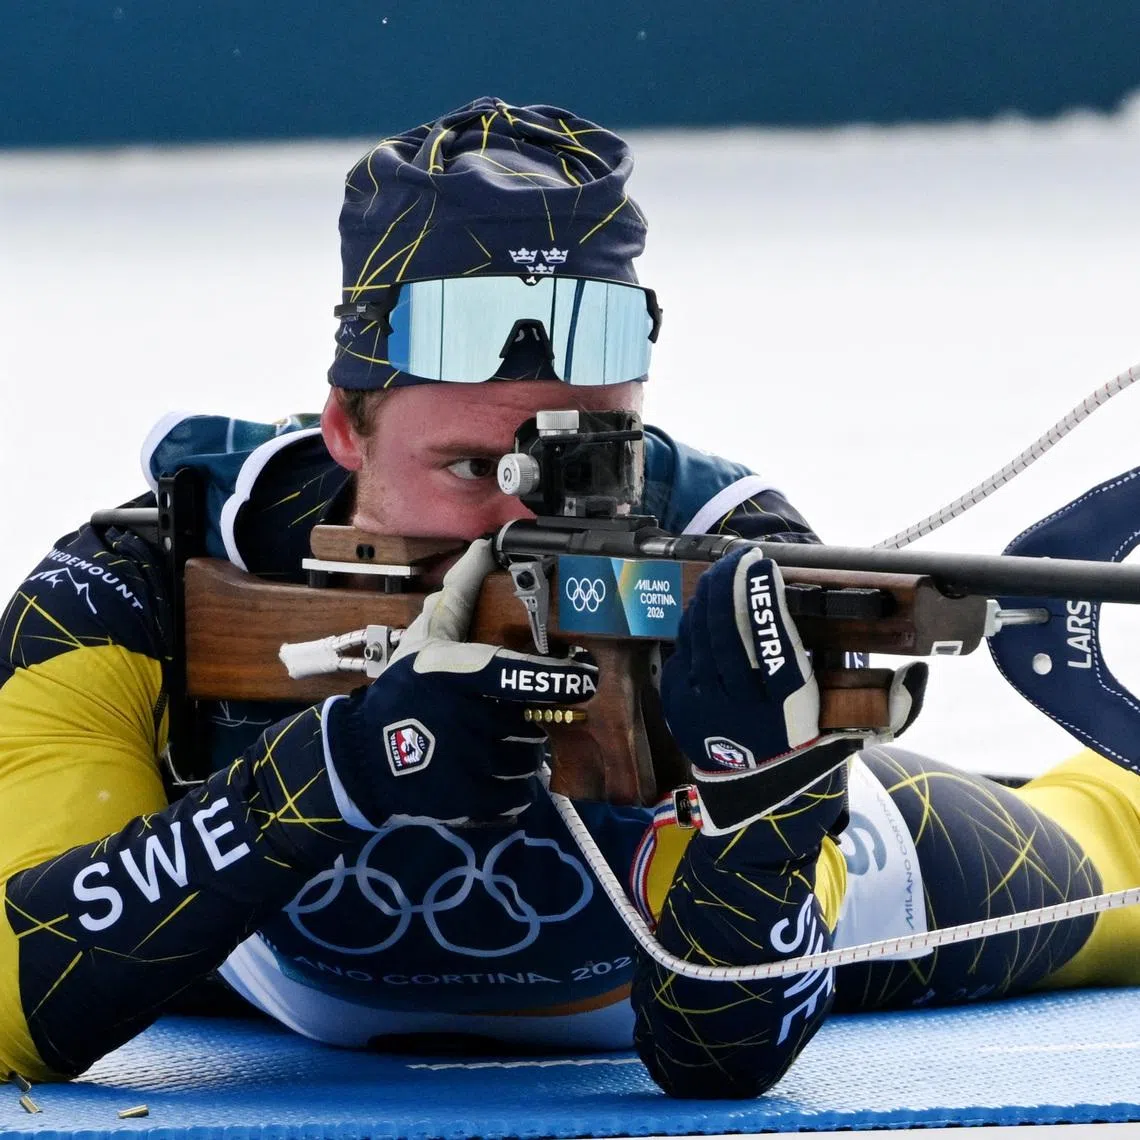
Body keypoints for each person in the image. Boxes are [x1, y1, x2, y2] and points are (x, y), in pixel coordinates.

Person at [2, 97, 1139, 1101]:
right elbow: (10, 990)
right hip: (256, 969)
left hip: (677, 964)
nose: (519, 536)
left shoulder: (739, 559)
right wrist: (331, 774)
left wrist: (762, 809)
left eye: (587, 470)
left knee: (1113, 850)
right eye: (470, 473)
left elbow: (722, 1056)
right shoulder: (145, 577)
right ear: (345, 425)